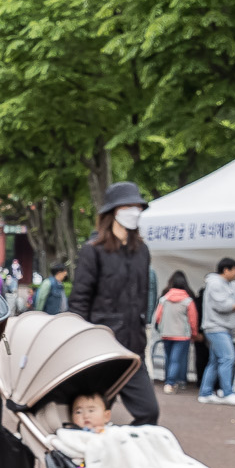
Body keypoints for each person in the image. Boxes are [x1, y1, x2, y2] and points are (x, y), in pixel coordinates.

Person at [70, 182, 161, 426]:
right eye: (128, 206)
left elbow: (144, 295)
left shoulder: (142, 251)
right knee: (91, 416)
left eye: (138, 206)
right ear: (113, 211)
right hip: (101, 347)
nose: (135, 211)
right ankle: (90, 461)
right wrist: (78, 340)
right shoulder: (93, 251)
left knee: (148, 412)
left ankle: (125, 449)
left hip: (133, 349)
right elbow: (79, 300)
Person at [198, 256, 235, 404]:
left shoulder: (225, 283)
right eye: (234, 270)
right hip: (216, 327)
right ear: (226, 270)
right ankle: (227, 392)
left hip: (220, 327)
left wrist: (231, 286)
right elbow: (222, 305)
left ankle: (205, 392)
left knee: (215, 360)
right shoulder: (215, 284)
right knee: (227, 357)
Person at [153, 271, 199, 392]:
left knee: (169, 358)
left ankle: (169, 380)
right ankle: (173, 382)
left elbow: (158, 317)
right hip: (182, 335)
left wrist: (160, 329)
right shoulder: (188, 301)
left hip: (166, 333)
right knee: (178, 359)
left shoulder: (164, 299)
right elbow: (193, 320)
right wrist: (194, 334)